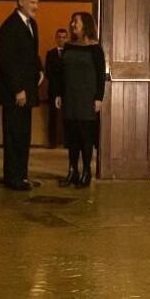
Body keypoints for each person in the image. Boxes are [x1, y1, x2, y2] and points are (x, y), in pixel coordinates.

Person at [0, 0, 44, 191]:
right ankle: (12, 178)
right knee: (14, 135)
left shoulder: (32, 24)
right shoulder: (9, 26)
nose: (36, 6)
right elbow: (8, 61)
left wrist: (39, 70)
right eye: (32, 2)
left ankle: (21, 176)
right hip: (16, 94)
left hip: (28, 90)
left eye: (37, 2)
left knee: (23, 135)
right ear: (20, 2)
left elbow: (31, 54)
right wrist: (18, 89)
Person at [55, 12, 105, 188]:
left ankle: (86, 172)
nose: (72, 24)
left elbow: (100, 75)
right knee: (72, 136)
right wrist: (59, 94)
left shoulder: (95, 49)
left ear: (86, 25)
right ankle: (72, 170)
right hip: (70, 96)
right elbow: (61, 73)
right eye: (72, 21)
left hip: (87, 97)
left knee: (85, 136)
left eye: (76, 21)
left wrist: (99, 97)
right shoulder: (69, 46)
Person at [45, 29, 68, 148]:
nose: (61, 39)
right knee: (53, 116)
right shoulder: (51, 53)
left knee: (68, 116)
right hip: (53, 88)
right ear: (56, 38)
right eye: (59, 37)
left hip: (67, 89)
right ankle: (52, 141)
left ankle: (67, 141)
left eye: (64, 37)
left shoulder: (70, 53)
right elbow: (48, 72)